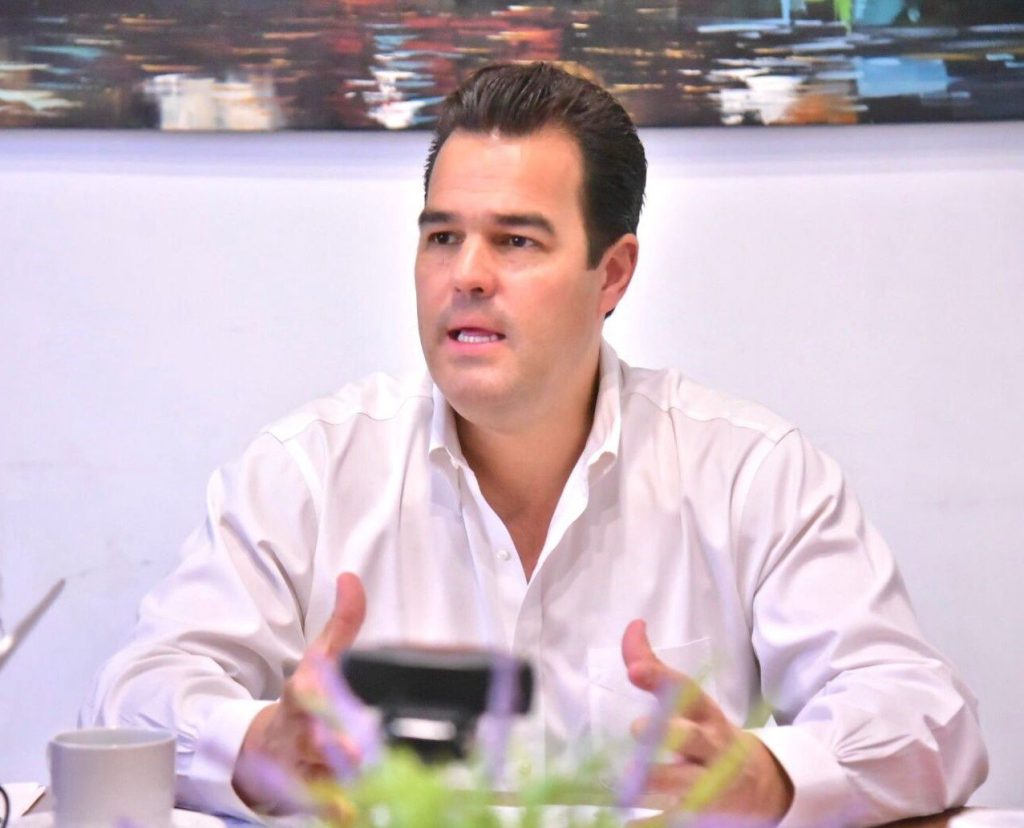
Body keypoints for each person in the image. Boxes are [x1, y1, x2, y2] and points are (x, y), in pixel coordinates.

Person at [82, 62, 987, 826]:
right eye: (443, 237)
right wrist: (253, 746)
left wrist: (770, 775)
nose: (467, 275)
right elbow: (133, 696)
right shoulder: (306, 474)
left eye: (515, 240)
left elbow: (925, 715)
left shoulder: (751, 474)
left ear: (612, 274)